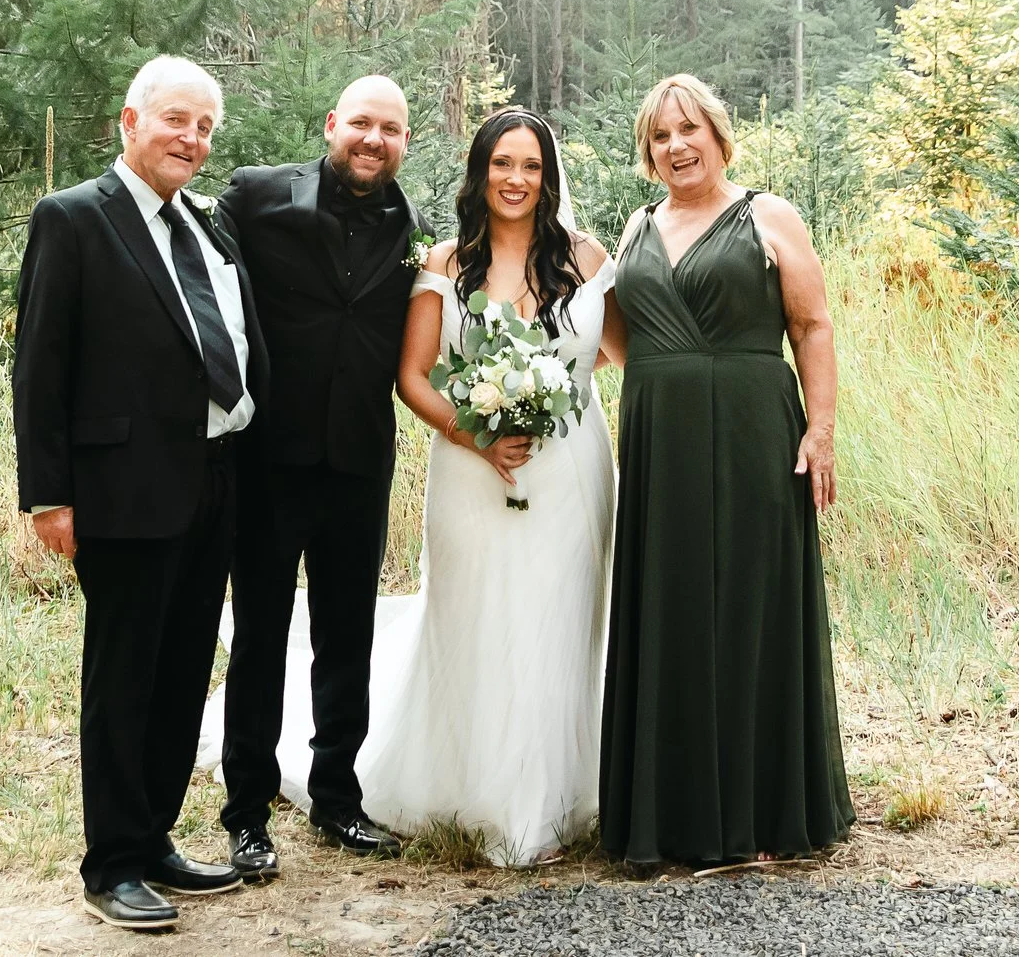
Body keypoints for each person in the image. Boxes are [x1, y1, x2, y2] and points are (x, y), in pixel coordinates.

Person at [12, 55, 269, 935]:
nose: (192, 139)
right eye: (176, 120)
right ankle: (111, 862)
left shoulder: (206, 226)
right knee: (124, 675)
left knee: (183, 669)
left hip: (214, 478)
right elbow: (40, 365)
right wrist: (48, 496)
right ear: (131, 120)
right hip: (124, 487)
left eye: (204, 127)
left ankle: (153, 836)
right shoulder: (75, 218)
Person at [597, 72, 852, 868]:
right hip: (659, 441)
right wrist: (669, 377)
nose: (676, 146)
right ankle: (669, 816)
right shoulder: (636, 225)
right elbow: (614, 337)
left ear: (717, 133)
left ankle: (764, 814)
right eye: (660, 136)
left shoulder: (767, 214)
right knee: (667, 607)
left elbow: (811, 325)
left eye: (688, 130)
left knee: (751, 605)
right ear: (649, 151)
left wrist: (822, 429)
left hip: (751, 433)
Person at [366, 107, 616, 865]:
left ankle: (555, 794)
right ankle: (477, 792)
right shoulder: (444, 261)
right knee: (476, 616)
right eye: (502, 164)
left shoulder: (586, 255)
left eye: (531, 165)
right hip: (470, 471)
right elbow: (411, 376)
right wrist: (477, 427)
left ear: (549, 177)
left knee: (562, 616)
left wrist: (552, 394)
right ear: (481, 173)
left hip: (571, 468)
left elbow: (622, 350)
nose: (517, 179)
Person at [215, 76, 420, 876]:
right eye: (361, 123)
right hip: (268, 461)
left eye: (391, 129)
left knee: (348, 636)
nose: (374, 139)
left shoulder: (414, 228)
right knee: (260, 637)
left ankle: (337, 795)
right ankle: (246, 809)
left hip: (361, 462)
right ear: (332, 123)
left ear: (405, 143)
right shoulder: (256, 198)